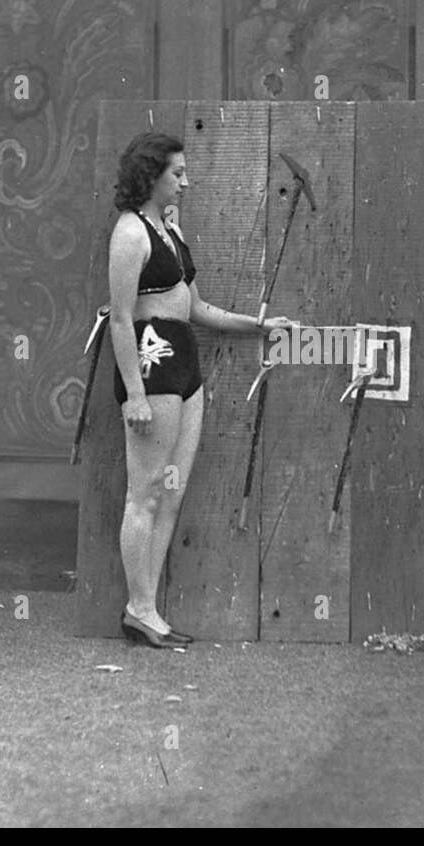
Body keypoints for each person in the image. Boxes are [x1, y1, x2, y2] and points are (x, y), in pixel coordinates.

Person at [105, 132, 295, 648]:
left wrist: (254, 325)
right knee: (143, 494)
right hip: (153, 362)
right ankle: (139, 609)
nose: (186, 183)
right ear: (151, 176)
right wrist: (136, 395)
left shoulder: (169, 229)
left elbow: (194, 308)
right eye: (177, 174)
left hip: (185, 360)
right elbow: (121, 320)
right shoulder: (130, 234)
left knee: (169, 493)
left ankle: (148, 609)